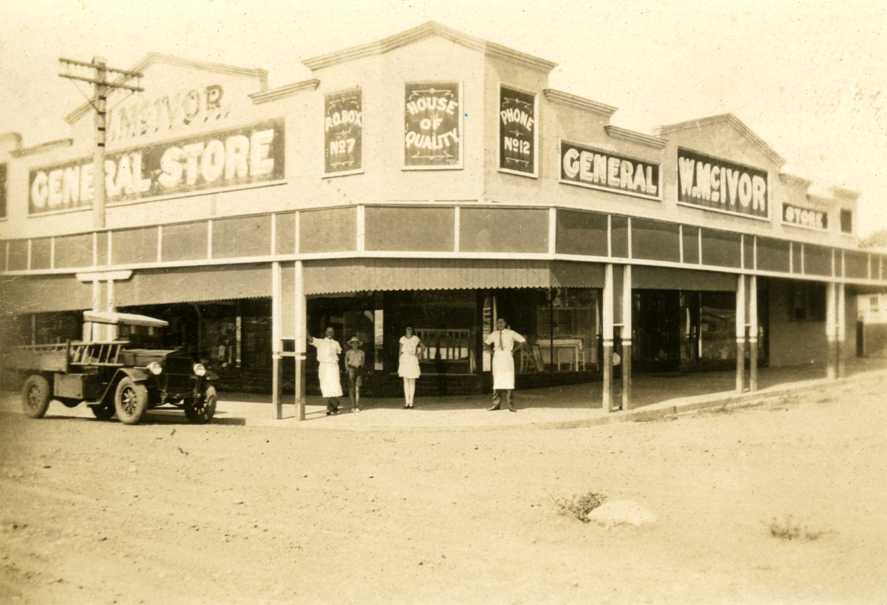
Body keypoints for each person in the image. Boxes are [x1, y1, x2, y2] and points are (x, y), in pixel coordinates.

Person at [484, 317, 526, 412]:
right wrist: (492, 352)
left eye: (501, 322)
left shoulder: (511, 333)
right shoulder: (494, 334)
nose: (500, 324)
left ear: (505, 323)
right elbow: (486, 343)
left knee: (509, 378)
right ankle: (496, 404)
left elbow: (522, 341)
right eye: (498, 323)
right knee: (497, 379)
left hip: (507, 355)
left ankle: (510, 405)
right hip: (497, 356)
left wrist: (514, 351)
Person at [309, 327, 343, 415]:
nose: (330, 333)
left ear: (334, 333)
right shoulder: (320, 342)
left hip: (334, 366)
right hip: (324, 366)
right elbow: (309, 338)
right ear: (325, 332)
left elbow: (340, 353)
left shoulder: (336, 343)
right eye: (328, 331)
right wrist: (304, 329)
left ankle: (332, 407)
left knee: (335, 386)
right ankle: (332, 407)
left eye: (332, 331)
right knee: (326, 386)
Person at [398, 326, 424, 408]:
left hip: (412, 359)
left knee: (412, 381)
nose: (408, 330)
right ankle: (406, 403)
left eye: (410, 329)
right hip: (404, 360)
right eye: (407, 329)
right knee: (405, 381)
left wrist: (418, 354)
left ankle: (411, 402)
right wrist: (399, 361)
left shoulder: (415, 338)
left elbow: (423, 347)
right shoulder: (402, 338)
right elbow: (400, 351)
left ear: (412, 330)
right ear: (405, 330)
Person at [345, 336, 366, 412]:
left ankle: (357, 405)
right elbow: (346, 361)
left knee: (357, 388)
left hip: (358, 369)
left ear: (358, 344)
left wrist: (360, 366)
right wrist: (347, 369)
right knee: (351, 388)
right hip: (351, 369)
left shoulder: (362, 352)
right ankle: (352, 406)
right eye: (353, 343)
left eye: (356, 343)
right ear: (351, 344)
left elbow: (363, 362)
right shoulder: (348, 352)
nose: (355, 344)